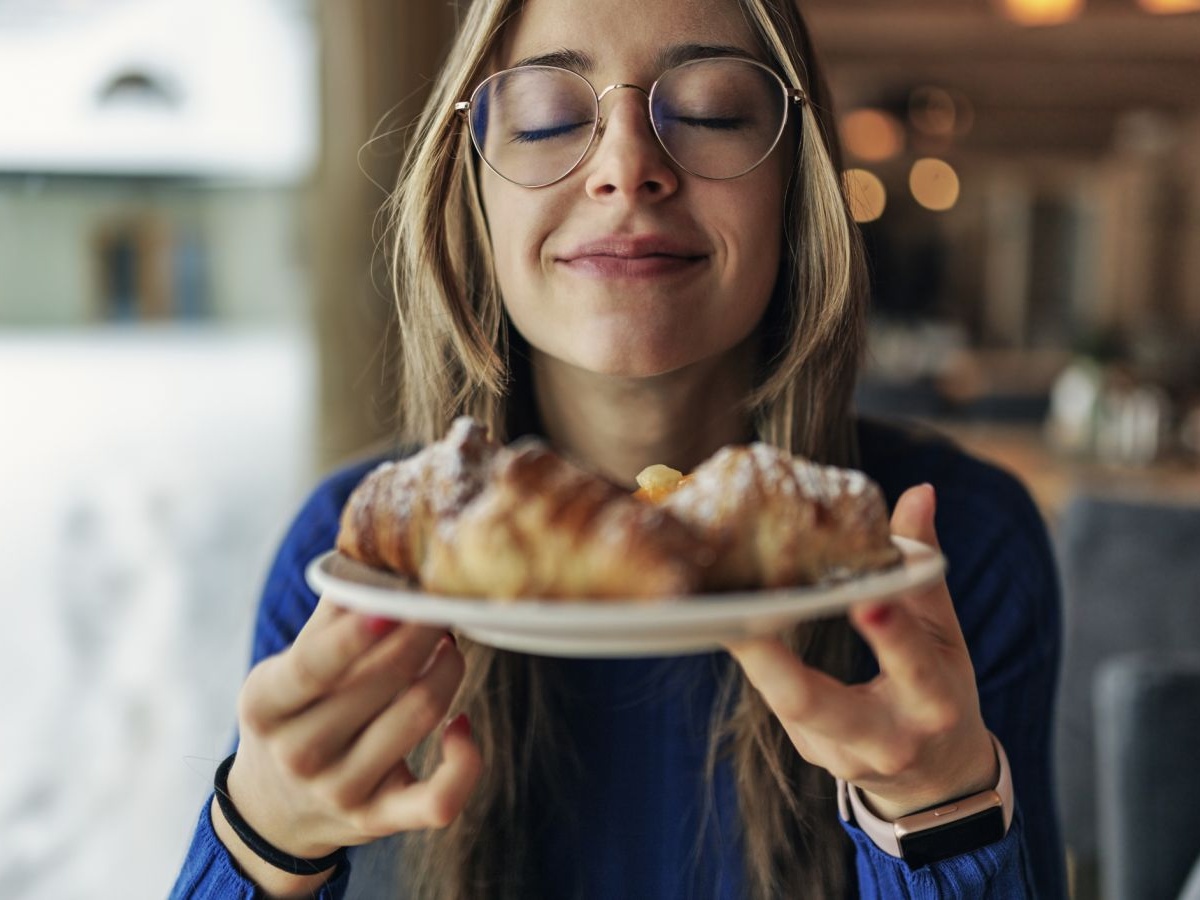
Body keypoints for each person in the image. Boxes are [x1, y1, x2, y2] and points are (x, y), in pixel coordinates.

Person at [171, 0, 1066, 896]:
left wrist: (937, 812)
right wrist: (262, 836)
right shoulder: (361, 556)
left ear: (798, 174)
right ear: (473, 182)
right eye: (547, 119)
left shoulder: (948, 554)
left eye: (713, 111)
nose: (627, 167)